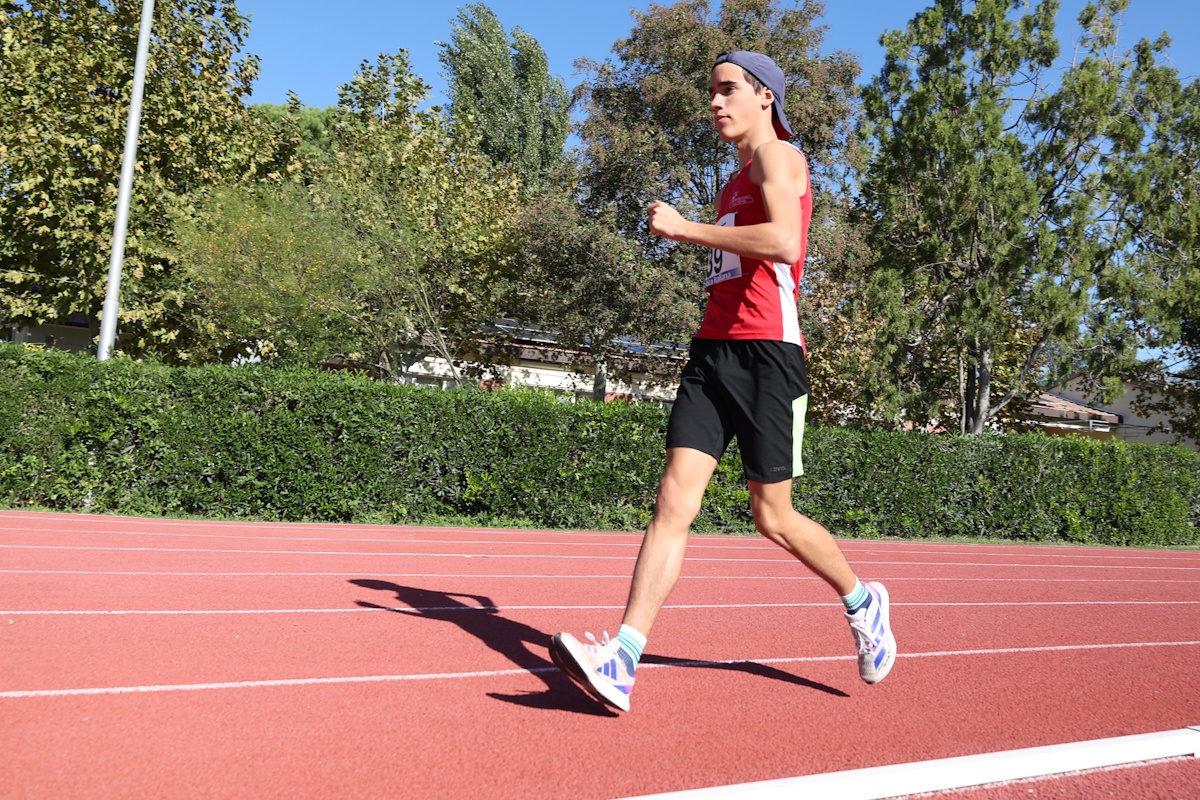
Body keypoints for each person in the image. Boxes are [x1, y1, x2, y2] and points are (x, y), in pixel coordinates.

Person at [548, 51, 896, 713]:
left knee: (775, 517)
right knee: (672, 505)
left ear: (766, 97)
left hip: (770, 358)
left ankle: (862, 601)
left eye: (727, 89)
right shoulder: (735, 180)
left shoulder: (779, 160)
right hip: (713, 354)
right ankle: (621, 659)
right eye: (710, 90)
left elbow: (787, 244)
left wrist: (684, 228)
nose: (715, 101)